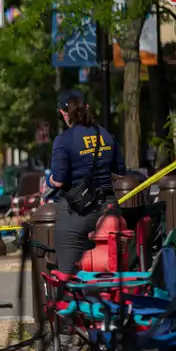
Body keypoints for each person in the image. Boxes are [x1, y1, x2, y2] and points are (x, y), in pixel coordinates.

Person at [48, 90, 125, 273]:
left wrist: (49, 180)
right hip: (109, 208)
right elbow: (119, 173)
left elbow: (58, 181)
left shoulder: (63, 140)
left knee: (69, 274)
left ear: (63, 113)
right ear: (86, 107)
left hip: (77, 211)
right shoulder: (106, 135)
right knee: (110, 271)